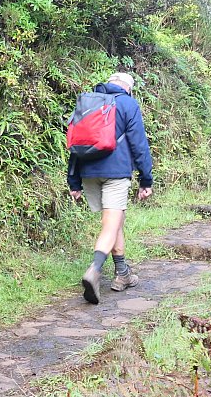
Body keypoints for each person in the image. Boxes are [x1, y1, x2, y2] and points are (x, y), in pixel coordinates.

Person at [66, 72, 154, 305]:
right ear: (128, 88)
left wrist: (73, 180)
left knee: (116, 222)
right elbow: (139, 144)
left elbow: (75, 141)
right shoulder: (128, 103)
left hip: (88, 173)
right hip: (115, 173)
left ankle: (122, 274)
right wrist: (146, 179)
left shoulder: (90, 101)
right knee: (110, 226)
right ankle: (94, 270)